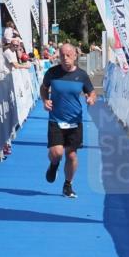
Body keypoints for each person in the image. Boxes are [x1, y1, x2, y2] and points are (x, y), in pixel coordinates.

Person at [40, 43, 97, 199]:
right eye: (62, 55)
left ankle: (67, 185)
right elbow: (43, 88)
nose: (65, 58)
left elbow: (92, 92)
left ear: (75, 56)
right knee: (57, 152)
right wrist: (45, 100)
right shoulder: (52, 73)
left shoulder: (82, 75)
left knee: (71, 155)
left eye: (68, 55)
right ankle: (54, 165)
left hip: (75, 120)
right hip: (56, 120)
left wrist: (91, 99)